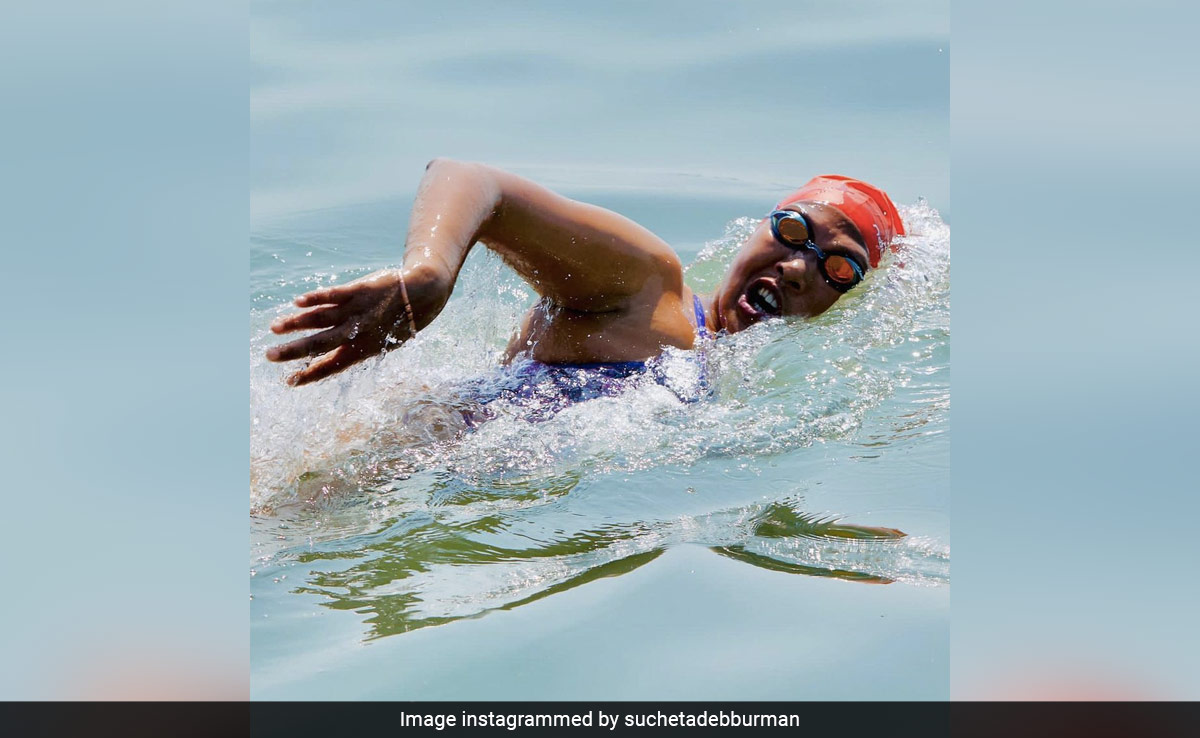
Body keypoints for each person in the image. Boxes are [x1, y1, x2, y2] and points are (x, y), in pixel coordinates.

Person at [265, 158, 904, 390]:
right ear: (756, 229)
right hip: (370, 479)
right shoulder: (649, 287)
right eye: (793, 231)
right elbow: (472, 179)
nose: (798, 268)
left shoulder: (749, 385)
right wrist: (429, 272)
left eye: (839, 268)